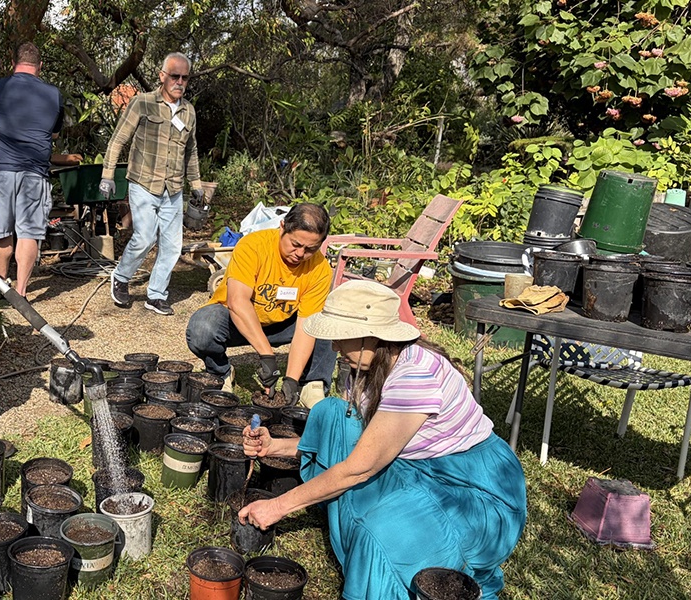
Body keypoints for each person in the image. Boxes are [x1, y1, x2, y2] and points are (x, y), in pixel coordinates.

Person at [238, 280, 527, 600]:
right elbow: (362, 440)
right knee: (334, 413)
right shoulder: (364, 368)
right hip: (417, 465)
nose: (334, 347)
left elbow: (358, 468)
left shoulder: (413, 377)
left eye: (341, 337)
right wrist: (275, 446)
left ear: (374, 336)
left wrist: (279, 506)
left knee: (379, 533)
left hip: (471, 490)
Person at [185, 203, 337, 403]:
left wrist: (290, 379)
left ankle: (312, 383)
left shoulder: (319, 268)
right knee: (202, 328)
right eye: (295, 244)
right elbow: (237, 301)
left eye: (310, 249)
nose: (300, 254)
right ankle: (221, 373)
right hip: (238, 320)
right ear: (282, 227)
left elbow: (306, 327)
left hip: (283, 324)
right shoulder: (253, 246)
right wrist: (267, 357)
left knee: (328, 320)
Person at [101, 52, 203, 316]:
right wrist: (107, 175)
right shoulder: (142, 103)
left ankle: (156, 295)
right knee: (145, 237)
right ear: (162, 76)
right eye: (174, 76)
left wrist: (197, 183)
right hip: (144, 183)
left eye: (184, 77)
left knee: (172, 246)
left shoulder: (188, 111)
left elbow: (191, 151)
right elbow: (118, 140)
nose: (179, 82)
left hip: (173, 189)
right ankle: (121, 277)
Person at [0, 42, 64, 298]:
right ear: (41, 66)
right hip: (35, 172)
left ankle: (2, 282)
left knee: (1, 231)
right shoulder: (53, 94)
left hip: (1, 170)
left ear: (13, 62)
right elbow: (55, 132)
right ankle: (22, 291)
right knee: (28, 232)